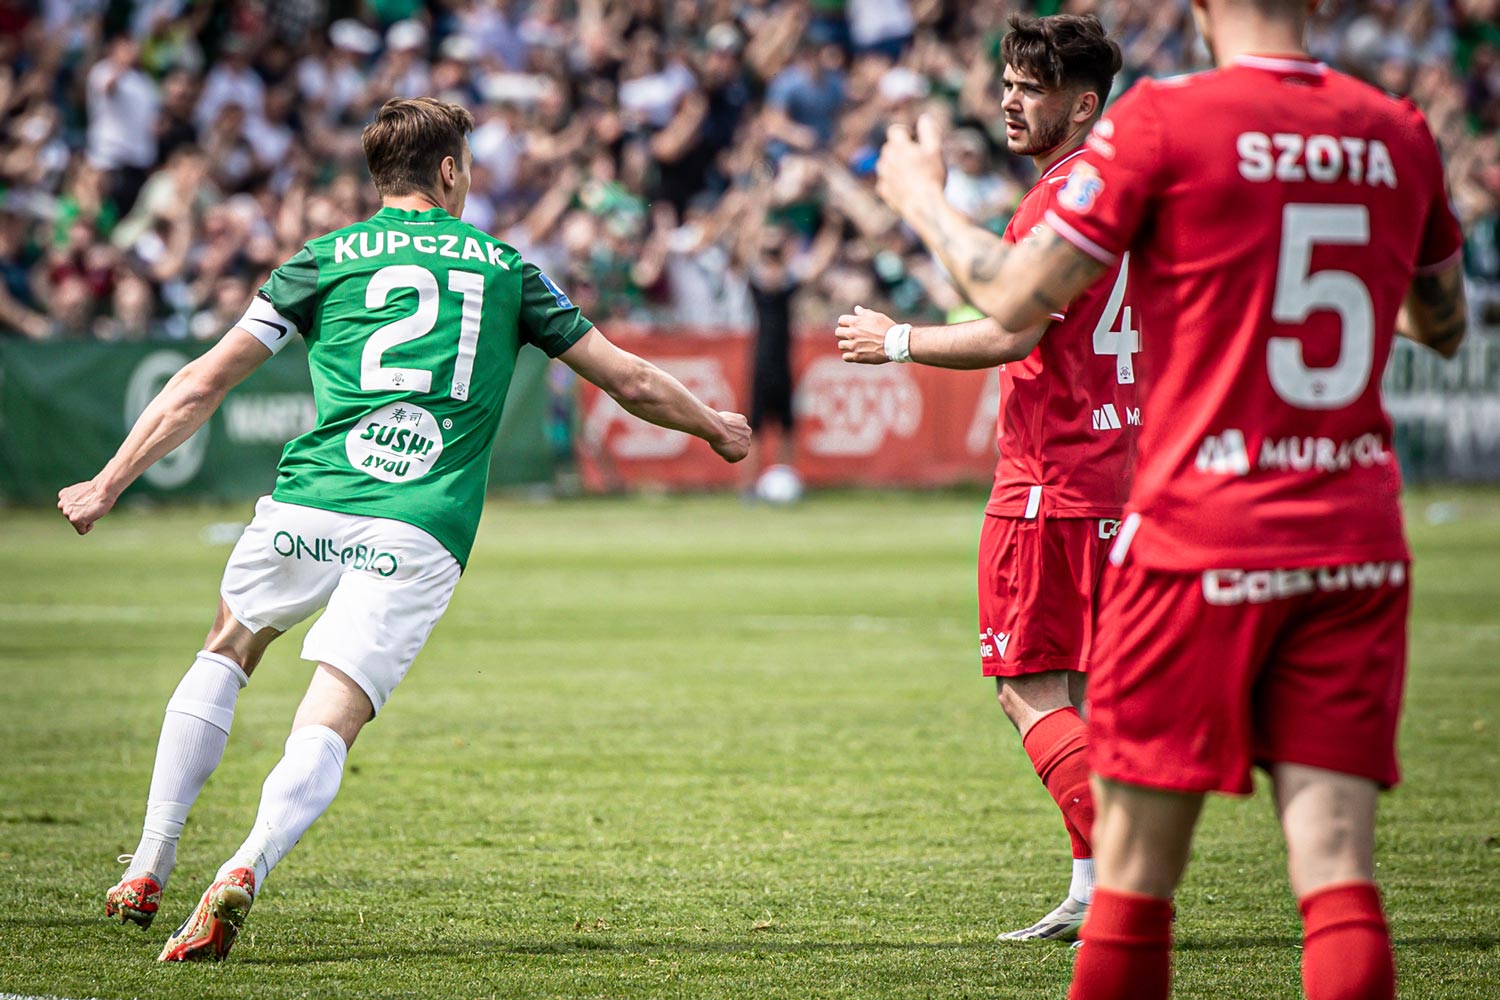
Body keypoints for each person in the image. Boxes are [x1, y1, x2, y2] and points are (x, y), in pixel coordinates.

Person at [59, 97, 750, 963]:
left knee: (227, 648)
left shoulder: (321, 259)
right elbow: (633, 380)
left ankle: (152, 859)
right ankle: (245, 864)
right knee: (333, 709)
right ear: (451, 171)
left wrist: (108, 480)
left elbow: (200, 382)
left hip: (312, 501)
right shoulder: (505, 269)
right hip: (420, 523)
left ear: (379, 175)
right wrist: (715, 428)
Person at [870, 0, 1467, 997]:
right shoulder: (1395, 130)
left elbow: (1011, 301)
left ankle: (1088, 883)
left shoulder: (1166, 124)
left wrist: (923, 199)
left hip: (1202, 523)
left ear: (1199, 10)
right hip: (1356, 532)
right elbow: (1439, 322)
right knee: (1337, 877)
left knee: (1135, 890)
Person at [837, 13, 1129, 943]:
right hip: (1125, 474)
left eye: (1032, 86)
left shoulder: (1054, 203)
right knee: (1079, 695)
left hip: (1051, 480)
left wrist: (897, 342)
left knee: (1027, 688)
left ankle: (1122, 877)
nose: (1009, 97)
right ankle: (1092, 886)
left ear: (1082, 106)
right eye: (1006, 79)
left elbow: (1010, 331)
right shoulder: (1120, 193)